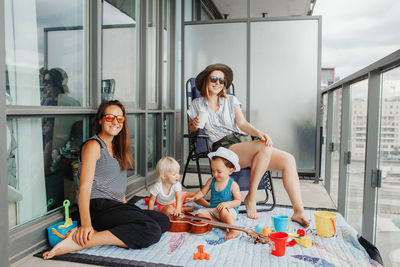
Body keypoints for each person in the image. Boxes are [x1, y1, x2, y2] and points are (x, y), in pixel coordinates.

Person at [43, 100, 170, 260]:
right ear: (100, 120)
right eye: (110, 117)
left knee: (162, 220)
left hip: (114, 208)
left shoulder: (118, 148)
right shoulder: (93, 146)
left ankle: (100, 233)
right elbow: (84, 189)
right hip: (99, 207)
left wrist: (126, 212)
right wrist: (86, 225)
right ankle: (85, 241)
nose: (115, 122)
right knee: (151, 230)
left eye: (120, 119)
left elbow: (118, 187)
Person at [187, 63, 309, 227]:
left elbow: (242, 123)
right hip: (222, 148)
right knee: (264, 147)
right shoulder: (197, 104)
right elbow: (191, 128)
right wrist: (195, 124)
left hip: (241, 141)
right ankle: (251, 197)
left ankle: (298, 212)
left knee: (289, 159)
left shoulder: (231, 100)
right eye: (213, 79)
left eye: (222, 81)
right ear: (206, 81)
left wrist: (258, 133)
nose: (218, 83)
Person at [186, 147, 242, 240]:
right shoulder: (211, 180)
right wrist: (195, 197)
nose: (215, 174)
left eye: (219, 171)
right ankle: (222, 225)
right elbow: (202, 192)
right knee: (199, 215)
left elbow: (238, 201)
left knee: (223, 211)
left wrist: (226, 204)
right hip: (213, 210)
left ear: (230, 171)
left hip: (228, 211)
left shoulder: (233, 184)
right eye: (213, 170)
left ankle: (234, 229)